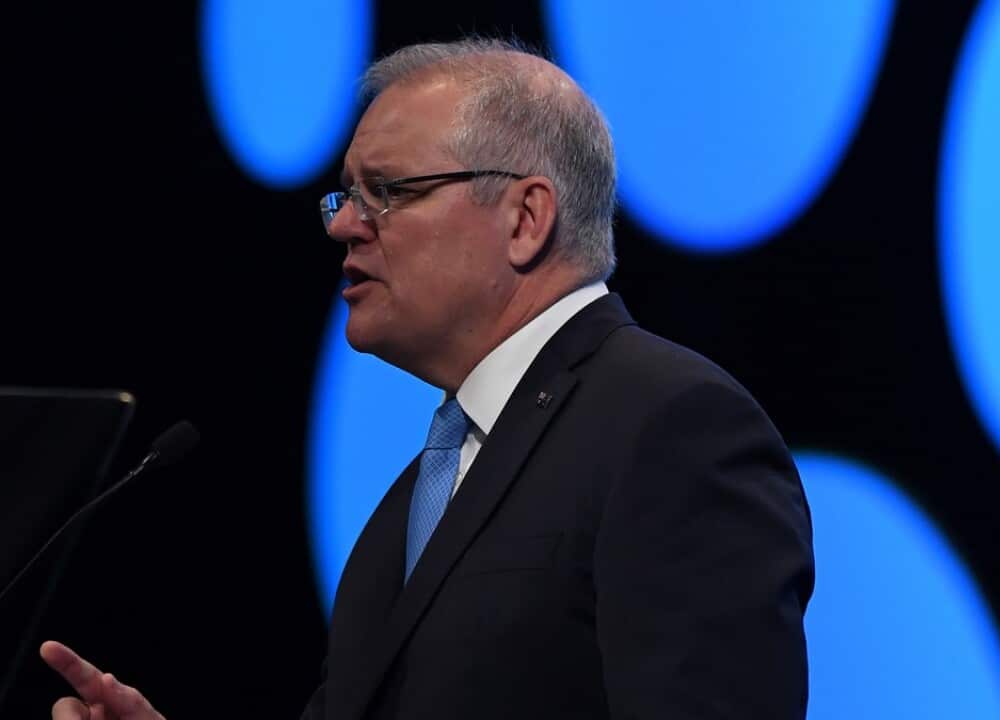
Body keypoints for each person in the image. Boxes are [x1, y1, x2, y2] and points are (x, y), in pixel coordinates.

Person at [42, 37, 816, 719]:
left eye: (390, 192)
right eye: (347, 195)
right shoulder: (418, 496)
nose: (345, 223)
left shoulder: (672, 426)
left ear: (524, 218)